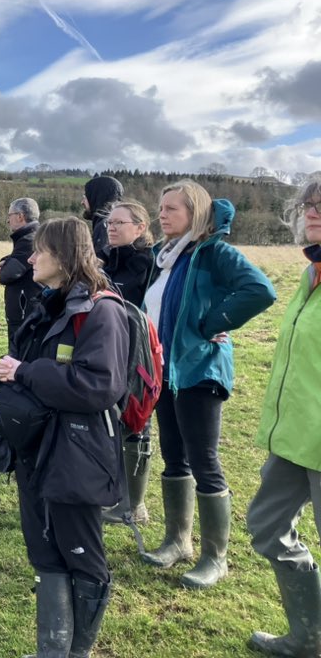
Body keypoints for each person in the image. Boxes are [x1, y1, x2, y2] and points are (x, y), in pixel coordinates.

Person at [0, 217, 129, 658]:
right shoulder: (49, 303)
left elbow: (100, 386)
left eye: (40, 251)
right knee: (45, 551)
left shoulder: (102, 311)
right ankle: (53, 650)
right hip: (37, 449)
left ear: (66, 256)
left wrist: (24, 371)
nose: (30, 258)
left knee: (81, 553)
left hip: (76, 452)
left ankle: (79, 651)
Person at [139, 180, 276, 589]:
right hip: (166, 372)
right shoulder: (164, 258)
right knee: (174, 457)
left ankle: (215, 557)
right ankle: (177, 541)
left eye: (172, 209)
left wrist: (212, 322)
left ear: (195, 214)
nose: (162, 215)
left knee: (205, 461)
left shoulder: (213, 252)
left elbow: (260, 290)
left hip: (199, 371)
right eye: (161, 208)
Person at [246, 178, 321, 656]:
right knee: (268, 525)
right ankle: (309, 637)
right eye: (309, 204)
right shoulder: (310, 275)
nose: (313, 212)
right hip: (294, 436)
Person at [101, 199, 155, 524]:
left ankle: (134, 506)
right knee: (110, 421)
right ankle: (112, 493)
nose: (112, 227)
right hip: (108, 350)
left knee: (137, 422)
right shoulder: (107, 262)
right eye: (110, 222)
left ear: (140, 227)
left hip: (139, 356)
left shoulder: (149, 264)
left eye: (120, 222)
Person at [0, 197, 41, 352]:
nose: (8, 220)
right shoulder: (35, 237)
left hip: (24, 310)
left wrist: (6, 264)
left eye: (10, 215)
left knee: (19, 354)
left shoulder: (28, 240)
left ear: (20, 216)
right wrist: (8, 259)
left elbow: (6, 275)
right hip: (28, 308)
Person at [83, 175, 124, 261]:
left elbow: (98, 267)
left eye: (85, 197)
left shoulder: (105, 226)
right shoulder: (119, 223)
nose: (82, 202)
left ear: (95, 197)